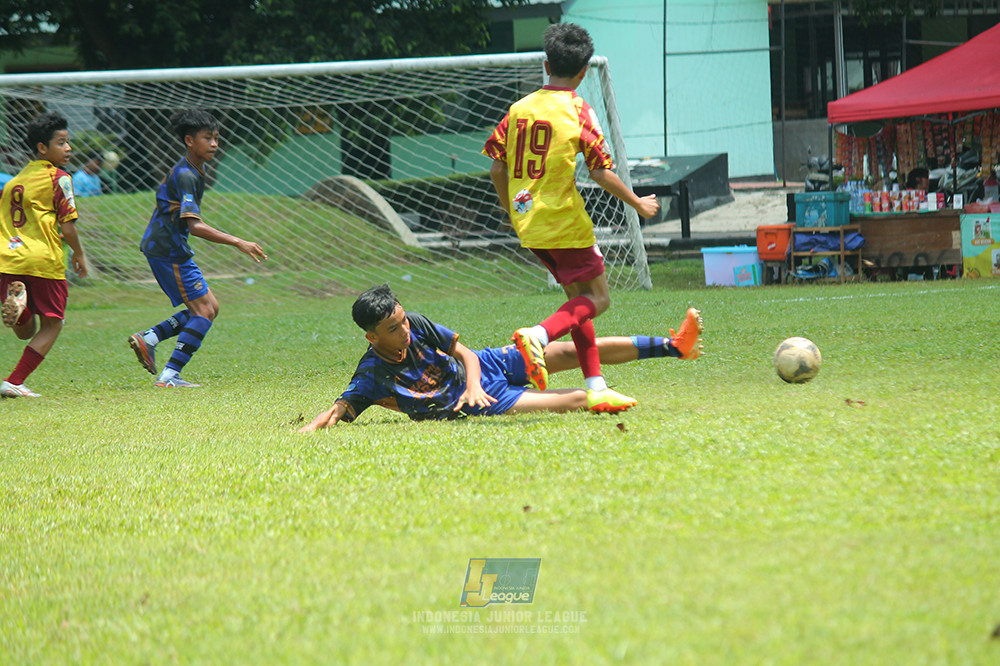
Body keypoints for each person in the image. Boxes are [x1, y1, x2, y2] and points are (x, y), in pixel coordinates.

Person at [483, 22, 670, 415]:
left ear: (546, 64)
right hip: (565, 223)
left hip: (529, 225)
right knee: (597, 299)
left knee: (577, 302)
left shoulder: (519, 109)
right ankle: (538, 335)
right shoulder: (577, 110)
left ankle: (596, 386)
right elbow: (601, 172)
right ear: (584, 72)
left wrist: (509, 209)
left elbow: (497, 170)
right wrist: (637, 203)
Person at [298, 284, 702, 432]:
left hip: (484, 370)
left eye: (403, 321)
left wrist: (473, 381)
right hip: (474, 405)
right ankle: (597, 398)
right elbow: (342, 407)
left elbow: (464, 352)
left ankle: (674, 347)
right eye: (393, 330)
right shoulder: (372, 374)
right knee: (570, 401)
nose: (404, 331)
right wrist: (318, 423)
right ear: (371, 337)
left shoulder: (415, 323)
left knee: (567, 351)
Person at [127, 109, 267, 388]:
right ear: (190, 141)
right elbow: (195, 226)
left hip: (167, 246)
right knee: (203, 311)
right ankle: (169, 377)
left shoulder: (191, 169)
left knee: (209, 308)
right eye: (208, 138)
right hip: (168, 249)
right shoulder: (187, 175)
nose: (214, 144)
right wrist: (238, 241)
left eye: (216, 138)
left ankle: (150, 338)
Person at [0, 112, 88, 398]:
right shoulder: (60, 178)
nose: (68, 148)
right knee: (54, 322)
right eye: (61, 142)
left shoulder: (15, 181)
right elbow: (68, 225)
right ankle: (14, 381)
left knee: (27, 329)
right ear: (42, 147)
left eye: (68, 142)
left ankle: (21, 308)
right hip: (43, 260)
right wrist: (79, 254)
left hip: (9, 259)